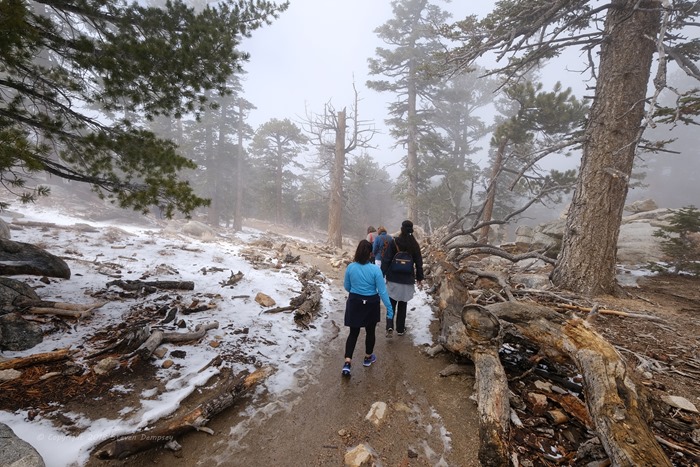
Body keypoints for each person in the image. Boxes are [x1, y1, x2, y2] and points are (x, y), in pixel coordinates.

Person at [342, 239, 394, 376]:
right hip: (371, 303)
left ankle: (347, 363)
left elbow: (347, 286)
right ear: (371, 253)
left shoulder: (350, 267)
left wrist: (356, 290)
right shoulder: (375, 270)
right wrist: (389, 308)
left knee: (353, 333)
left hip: (354, 301)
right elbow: (382, 291)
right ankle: (367, 357)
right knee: (370, 332)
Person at [381, 220, 423, 337]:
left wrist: (381, 274)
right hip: (407, 279)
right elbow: (419, 262)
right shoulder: (414, 245)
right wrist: (420, 277)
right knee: (403, 305)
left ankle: (389, 326)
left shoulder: (395, 242)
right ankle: (400, 329)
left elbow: (386, 260)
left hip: (393, 278)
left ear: (402, 229)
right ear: (412, 230)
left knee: (391, 304)